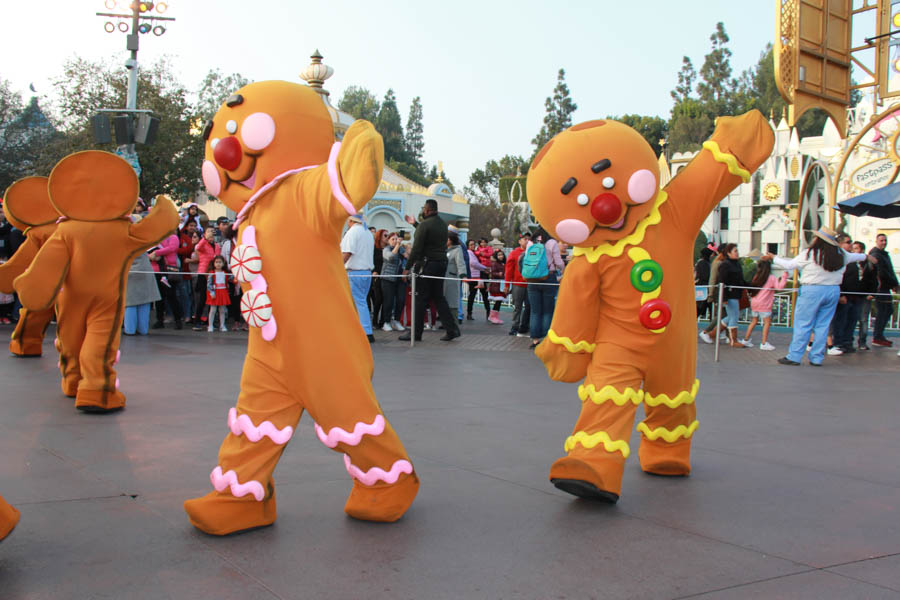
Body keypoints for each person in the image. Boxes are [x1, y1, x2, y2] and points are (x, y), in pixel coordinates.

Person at [771, 226, 874, 366]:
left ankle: (795, 356)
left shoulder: (809, 253)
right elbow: (858, 256)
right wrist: (868, 257)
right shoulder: (841, 254)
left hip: (812, 290)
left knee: (803, 324)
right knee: (823, 325)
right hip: (832, 291)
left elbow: (789, 265)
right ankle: (817, 357)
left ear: (818, 239)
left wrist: (773, 258)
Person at [398, 199, 461, 342]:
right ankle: (452, 329)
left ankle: (416, 333)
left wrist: (407, 268)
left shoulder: (425, 225)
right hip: (440, 263)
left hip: (427, 265)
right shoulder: (441, 224)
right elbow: (429, 234)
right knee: (438, 297)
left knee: (420, 299)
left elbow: (416, 249)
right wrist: (415, 224)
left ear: (426, 210)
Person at [525, 227, 564, 350]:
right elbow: (558, 262)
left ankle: (535, 340)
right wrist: (563, 269)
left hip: (532, 279)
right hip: (548, 277)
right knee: (548, 311)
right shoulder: (552, 243)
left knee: (535, 311)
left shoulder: (530, 242)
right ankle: (546, 339)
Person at [740, 256, 787, 350]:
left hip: (754, 302)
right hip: (764, 304)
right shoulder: (771, 278)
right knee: (767, 323)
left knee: (753, 321)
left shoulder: (757, 277)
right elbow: (779, 287)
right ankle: (764, 343)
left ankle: (746, 340)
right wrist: (784, 277)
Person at [341, 214, 375, 342]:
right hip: (366, 272)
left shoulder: (352, 232)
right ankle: (362, 330)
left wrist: (338, 266)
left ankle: (366, 332)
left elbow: (347, 252)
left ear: (350, 221)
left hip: (354, 272)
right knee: (361, 301)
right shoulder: (367, 233)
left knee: (358, 302)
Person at [711, 244, 748, 348]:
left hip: (736, 294)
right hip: (730, 294)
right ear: (728, 253)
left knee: (731, 316)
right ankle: (733, 340)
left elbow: (741, 280)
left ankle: (712, 334)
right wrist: (724, 297)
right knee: (734, 316)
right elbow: (721, 281)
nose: (737, 253)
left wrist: (750, 286)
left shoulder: (737, 264)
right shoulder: (725, 265)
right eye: (735, 251)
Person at [869, 233, 899, 347]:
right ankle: (877, 337)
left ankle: (879, 335)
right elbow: (882, 272)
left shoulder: (884, 254)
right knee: (883, 311)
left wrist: (895, 284)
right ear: (876, 241)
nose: (884, 242)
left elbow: (890, 270)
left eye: (885, 240)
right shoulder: (875, 254)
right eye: (881, 240)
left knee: (888, 310)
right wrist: (893, 284)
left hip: (886, 287)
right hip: (881, 288)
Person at [123, 252, 161, 335]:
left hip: (130, 272)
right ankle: (143, 330)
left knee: (130, 303)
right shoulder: (143, 243)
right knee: (145, 302)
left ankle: (130, 330)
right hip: (145, 271)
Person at [851, 241, 878, 350]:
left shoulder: (870, 264)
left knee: (863, 319)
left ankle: (862, 342)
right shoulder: (850, 262)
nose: (854, 251)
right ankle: (847, 340)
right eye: (853, 248)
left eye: (856, 248)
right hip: (852, 294)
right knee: (850, 318)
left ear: (862, 250)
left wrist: (872, 293)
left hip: (864, 295)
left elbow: (874, 279)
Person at [191, 226, 220, 330]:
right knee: (202, 298)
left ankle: (210, 321)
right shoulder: (203, 244)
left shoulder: (217, 246)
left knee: (212, 298)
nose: (211, 233)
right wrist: (205, 238)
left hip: (212, 274)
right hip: (203, 273)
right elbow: (197, 248)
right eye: (209, 231)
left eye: (212, 231)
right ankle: (197, 321)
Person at [699, 245, 727, 343]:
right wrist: (710, 293)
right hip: (718, 292)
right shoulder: (717, 263)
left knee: (724, 314)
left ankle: (725, 334)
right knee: (721, 314)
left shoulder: (721, 263)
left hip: (721, 292)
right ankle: (707, 331)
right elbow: (712, 278)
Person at [505, 232, 531, 337]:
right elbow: (509, 270)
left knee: (529, 306)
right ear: (519, 241)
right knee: (517, 306)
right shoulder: (514, 253)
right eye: (525, 239)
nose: (527, 240)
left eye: (529, 239)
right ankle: (515, 326)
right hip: (518, 284)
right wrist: (507, 285)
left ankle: (525, 326)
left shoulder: (534, 252)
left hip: (530, 284)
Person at [380, 232, 406, 331]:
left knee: (401, 300)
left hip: (400, 278)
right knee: (389, 301)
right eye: (393, 239)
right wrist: (397, 246)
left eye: (396, 239)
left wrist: (405, 250)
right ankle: (386, 322)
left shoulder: (401, 249)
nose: (395, 241)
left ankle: (396, 320)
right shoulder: (386, 249)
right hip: (388, 278)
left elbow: (408, 256)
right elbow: (391, 257)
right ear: (388, 241)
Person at [443, 231, 467, 320]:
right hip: (443, 280)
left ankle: (454, 324)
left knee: (452, 303)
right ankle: (446, 323)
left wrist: (463, 275)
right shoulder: (444, 249)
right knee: (444, 303)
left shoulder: (457, 250)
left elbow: (460, 264)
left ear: (451, 240)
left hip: (452, 280)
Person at [205, 255, 231, 332]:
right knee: (213, 310)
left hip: (223, 292)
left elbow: (230, 279)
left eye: (220, 262)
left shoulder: (225, 273)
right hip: (215, 293)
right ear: (214, 263)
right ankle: (210, 326)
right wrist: (212, 292)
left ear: (223, 263)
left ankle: (222, 325)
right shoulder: (212, 273)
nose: (218, 264)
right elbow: (209, 284)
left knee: (222, 310)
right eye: (216, 262)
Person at [466, 239, 489, 319]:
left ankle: (488, 313)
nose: (473, 246)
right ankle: (469, 313)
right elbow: (473, 263)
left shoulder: (474, 253)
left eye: (473, 244)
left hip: (479, 276)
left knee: (484, 295)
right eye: (471, 245)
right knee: (472, 296)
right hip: (474, 277)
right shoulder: (469, 252)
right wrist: (484, 268)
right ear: (468, 246)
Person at [371, 228, 388, 330]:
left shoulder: (388, 248)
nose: (387, 237)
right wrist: (373, 271)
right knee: (378, 299)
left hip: (386, 275)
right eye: (385, 235)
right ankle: (374, 320)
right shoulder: (374, 248)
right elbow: (370, 260)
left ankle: (383, 321)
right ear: (380, 237)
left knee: (385, 299)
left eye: (388, 235)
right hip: (377, 275)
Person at [486, 249, 508, 324]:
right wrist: (499, 274)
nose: (501, 256)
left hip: (502, 284)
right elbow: (492, 273)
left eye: (501, 254)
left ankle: (495, 316)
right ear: (496, 256)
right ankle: (492, 317)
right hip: (496, 285)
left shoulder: (504, 263)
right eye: (499, 255)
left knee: (499, 301)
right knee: (498, 301)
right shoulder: (495, 264)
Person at [694, 247, 713, 320]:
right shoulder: (704, 263)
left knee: (701, 306)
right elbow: (705, 275)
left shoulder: (701, 262)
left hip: (702, 286)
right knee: (701, 306)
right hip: (704, 287)